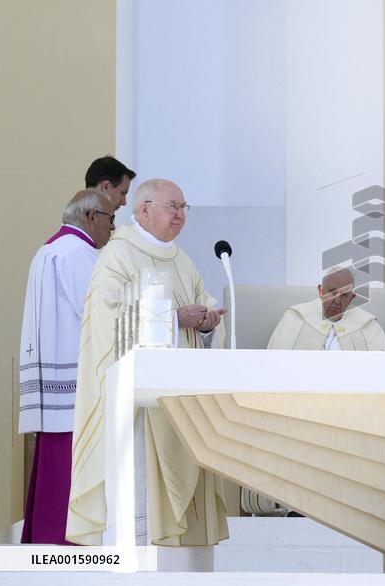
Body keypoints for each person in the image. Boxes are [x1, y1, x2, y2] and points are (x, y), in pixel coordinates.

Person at [68, 178, 228, 547]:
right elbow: (107, 321)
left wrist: (207, 322)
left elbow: (200, 301)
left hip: (180, 399)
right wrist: (174, 318)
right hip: (139, 406)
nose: (180, 215)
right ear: (144, 210)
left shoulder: (181, 258)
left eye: (184, 208)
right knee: (142, 499)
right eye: (173, 207)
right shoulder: (118, 256)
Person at [18, 189, 114, 544]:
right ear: (92, 218)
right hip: (74, 380)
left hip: (52, 379)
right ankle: (63, 546)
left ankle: (43, 541)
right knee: (69, 469)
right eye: (110, 219)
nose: (113, 229)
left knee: (52, 468)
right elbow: (99, 314)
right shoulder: (79, 253)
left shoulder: (50, 249)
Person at [267, 266, 385, 351]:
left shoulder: (367, 325)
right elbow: (275, 366)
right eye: (332, 293)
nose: (337, 301)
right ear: (321, 291)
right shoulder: (296, 317)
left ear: (352, 298)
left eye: (344, 295)